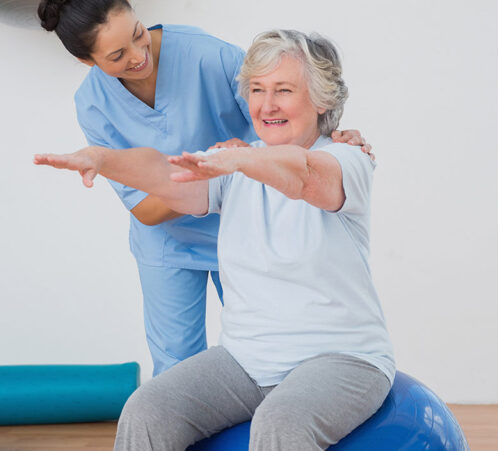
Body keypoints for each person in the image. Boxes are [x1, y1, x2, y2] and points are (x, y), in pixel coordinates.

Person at [34, 29, 394, 450]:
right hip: (246, 361)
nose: (266, 105)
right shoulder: (235, 165)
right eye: (257, 90)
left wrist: (240, 158)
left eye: (283, 90)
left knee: (281, 423)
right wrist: (102, 158)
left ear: (321, 100)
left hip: (343, 359)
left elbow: (305, 175)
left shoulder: (347, 159)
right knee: (147, 409)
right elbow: (165, 175)